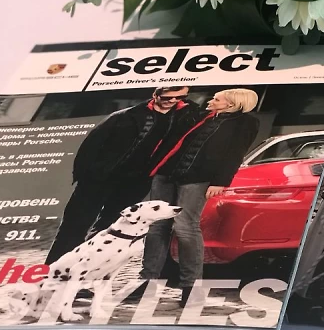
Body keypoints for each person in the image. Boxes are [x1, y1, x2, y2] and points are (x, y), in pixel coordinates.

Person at [137, 88, 260, 306]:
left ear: (232, 104)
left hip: (198, 179)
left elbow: (235, 153)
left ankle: (191, 287)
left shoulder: (245, 122)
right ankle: (147, 281)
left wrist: (221, 181)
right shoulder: (204, 116)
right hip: (167, 174)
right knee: (157, 226)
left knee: (185, 226)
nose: (212, 100)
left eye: (217, 99)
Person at [45, 85, 192, 264]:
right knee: (75, 224)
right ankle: (54, 268)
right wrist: (85, 175)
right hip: (99, 178)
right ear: (156, 94)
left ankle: (86, 269)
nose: (173, 101)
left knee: (109, 228)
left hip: (135, 183)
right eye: (168, 97)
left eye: (180, 97)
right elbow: (90, 145)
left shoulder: (181, 119)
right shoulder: (125, 116)